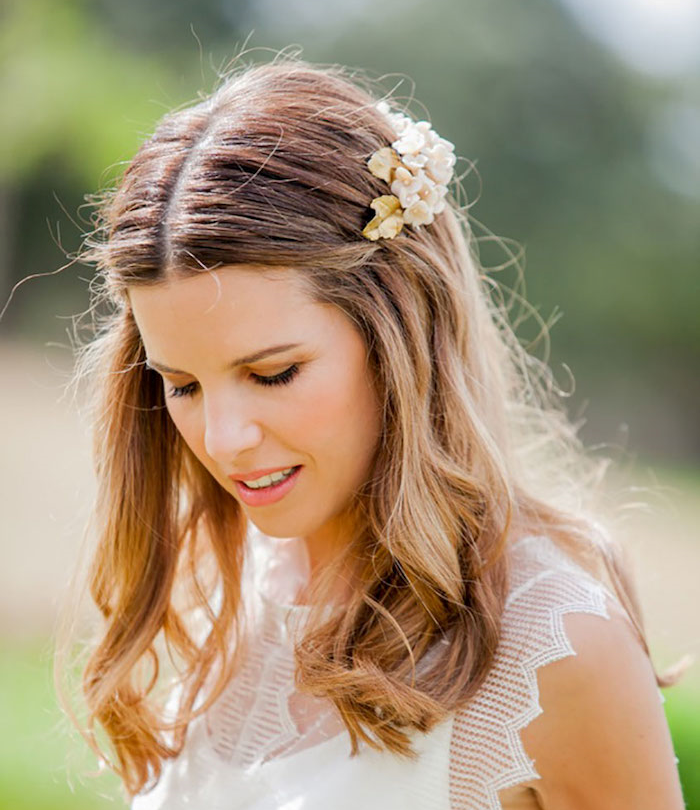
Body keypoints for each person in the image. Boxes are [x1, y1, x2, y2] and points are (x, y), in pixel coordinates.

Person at [54, 53, 689, 810]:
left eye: (274, 373)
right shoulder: (212, 598)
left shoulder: (552, 650)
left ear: (399, 336)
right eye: (182, 385)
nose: (223, 440)